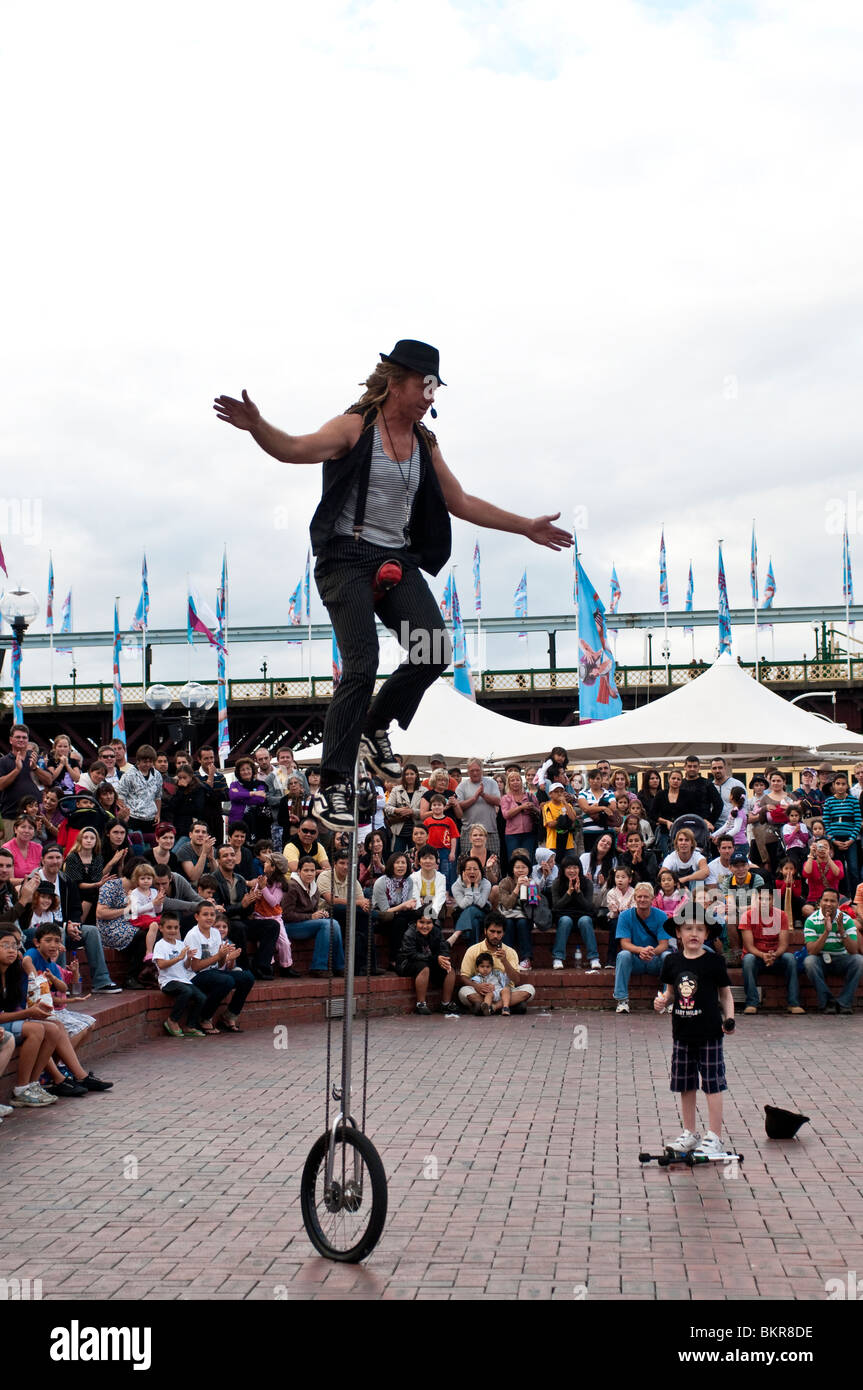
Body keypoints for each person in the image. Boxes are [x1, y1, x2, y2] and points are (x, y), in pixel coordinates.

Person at [215, 342, 571, 829]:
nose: (430, 395)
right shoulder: (355, 427)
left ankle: (373, 725)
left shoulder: (425, 443)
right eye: (425, 385)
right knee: (362, 661)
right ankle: (335, 784)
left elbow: (460, 500)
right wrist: (259, 427)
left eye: (435, 388)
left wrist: (525, 526)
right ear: (398, 382)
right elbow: (295, 449)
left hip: (394, 559)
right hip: (345, 556)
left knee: (433, 649)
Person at [653, 913, 735, 1156]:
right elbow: (669, 993)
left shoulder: (714, 962)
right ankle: (689, 1133)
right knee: (685, 1084)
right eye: (688, 928)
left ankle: (715, 1136)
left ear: (707, 934)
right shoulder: (672, 962)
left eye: (700, 929)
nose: (694, 934)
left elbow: (725, 994)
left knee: (712, 1084)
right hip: (682, 1032)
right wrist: (661, 1001)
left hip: (709, 1032)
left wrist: (729, 1018)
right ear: (678, 933)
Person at [183, 901, 247, 1034]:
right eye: (205, 914)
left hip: (212, 971)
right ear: (197, 917)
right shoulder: (193, 935)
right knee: (226, 981)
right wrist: (219, 956)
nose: (209, 917)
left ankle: (229, 1016)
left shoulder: (215, 933)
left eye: (212, 914)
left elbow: (219, 964)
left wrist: (225, 955)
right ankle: (204, 1017)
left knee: (247, 978)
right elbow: (195, 967)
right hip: (194, 976)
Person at [738, 886, 803, 1015]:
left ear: (773, 901)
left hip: (776, 956)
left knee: (790, 958)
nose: (763, 902)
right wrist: (763, 955)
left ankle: (793, 1003)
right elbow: (749, 946)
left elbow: (784, 944)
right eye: (761, 899)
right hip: (756, 956)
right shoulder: (748, 916)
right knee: (748, 959)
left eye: (767, 899)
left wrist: (774, 955)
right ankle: (751, 1003)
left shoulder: (782, 915)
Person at [612, 881, 673, 1014]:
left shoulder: (661, 916)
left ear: (652, 899)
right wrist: (641, 950)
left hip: (654, 959)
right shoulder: (625, 916)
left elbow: (664, 944)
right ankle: (622, 1000)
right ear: (634, 898)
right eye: (639, 897)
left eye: (646, 897)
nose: (642, 899)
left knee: (668, 956)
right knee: (623, 955)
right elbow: (624, 944)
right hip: (635, 959)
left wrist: (651, 952)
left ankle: (667, 999)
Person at [457, 913, 536, 1014]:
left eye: (499, 932)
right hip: (482, 992)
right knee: (463, 992)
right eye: (492, 931)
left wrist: (504, 961)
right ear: (485, 931)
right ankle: (508, 1006)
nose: (495, 936)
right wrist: (477, 986)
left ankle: (492, 1007)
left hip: (505, 992)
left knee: (530, 990)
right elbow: (464, 977)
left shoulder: (510, 952)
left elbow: (516, 980)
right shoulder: (473, 950)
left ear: (503, 933)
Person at [282, 855, 345, 978]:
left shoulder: (314, 887)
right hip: (290, 926)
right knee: (328, 924)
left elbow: (313, 911)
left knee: (334, 924)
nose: (309, 874)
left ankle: (339, 967)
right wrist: (311, 916)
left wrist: (320, 914)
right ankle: (318, 967)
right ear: (299, 871)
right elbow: (286, 915)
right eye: (306, 870)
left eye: (312, 870)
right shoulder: (292, 886)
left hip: (306, 925)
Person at [803, 888, 862, 1014]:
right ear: (819, 903)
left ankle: (844, 1003)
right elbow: (812, 951)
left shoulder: (846, 920)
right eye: (825, 900)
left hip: (841, 959)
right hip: (821, 959)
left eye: (832, 901)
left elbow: (853, 951)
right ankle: (828, 1002)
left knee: (859, 961)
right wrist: (826, 932)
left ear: (838, 904)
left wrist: (842, 931)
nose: (829, 904)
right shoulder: (811, 920)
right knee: (809, 962)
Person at [153, 913, 208, 1038]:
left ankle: (190, 1025)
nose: (172, 931)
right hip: (168, 981)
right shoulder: (160, 945)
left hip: (183, 979)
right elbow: (161, 965)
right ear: (161, 928)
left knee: (202, 997)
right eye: (169, 927)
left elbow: (187, 966)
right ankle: (172, 1020)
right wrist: (179, 957)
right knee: (186, 992)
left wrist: (188, 958)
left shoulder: (180, 944)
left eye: (175, 928)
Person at [395, 910, 457, 1016]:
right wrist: (435, 958)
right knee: (424, 967)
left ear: (433, 923)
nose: (425, 926)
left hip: (429, 961)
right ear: (416, 922)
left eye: (428, 923)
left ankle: (445, 1004)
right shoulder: (410, 933)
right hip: (408, 963)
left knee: (449, 968)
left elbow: (444, 948)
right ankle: (421, 1004)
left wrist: (444, 958)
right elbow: (412, 955)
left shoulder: (437, 931)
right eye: (421, 922)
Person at [0, 724, 52, 841]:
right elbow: (1, 785)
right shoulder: (3, 761)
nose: (21, 740)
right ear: (10, 740)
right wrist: (17, 770)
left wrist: (35, 768)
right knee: (11, 854)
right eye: (18, 737)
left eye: (24, 737)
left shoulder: (35, 758)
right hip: (11, 816)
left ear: (28, 740)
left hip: (34, 817)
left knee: (33, 853)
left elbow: (49, 780)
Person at [551, 855, 600, 970]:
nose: (572, 871)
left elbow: (589, 907)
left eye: (575, 867)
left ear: (580, 869)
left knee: (585, 920)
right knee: (565, 920)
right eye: (568, 868)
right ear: (563, 869)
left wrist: (578, 893)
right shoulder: (557, 883)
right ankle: (558, 958)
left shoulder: (587, 883)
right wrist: (568, 893)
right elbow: (556, 906)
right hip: (564, 917)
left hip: (583, 916)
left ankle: (594, 958)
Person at [371, 851, 419, 963]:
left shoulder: (409, 881)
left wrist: (410, 905)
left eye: (403, 863)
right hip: (382, 918)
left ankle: (418, 954)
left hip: (401, 915)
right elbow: (385, 911)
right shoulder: (381, 882)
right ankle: (394, 959)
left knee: (418, 916)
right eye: (397, 863)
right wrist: (403, 906)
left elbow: (408, 905)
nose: (401, 865)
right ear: (391, 865)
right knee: (400, 921)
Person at [822, 770, 861, 895]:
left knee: (853, 869)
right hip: (835, 840)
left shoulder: (853, 801)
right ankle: (842, 896)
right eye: (838, 783)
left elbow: (857, 821)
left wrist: (851, 839)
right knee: (838, 870)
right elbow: (826, 823)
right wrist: (833, 840)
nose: (840, 786)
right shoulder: (829, 802)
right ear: (833, 785)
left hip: (851, 840)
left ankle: (856, 898)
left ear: (847, 786)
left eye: (843, 784)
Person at [455, 760, 503, 857]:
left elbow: (498, 802)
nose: (475, 773)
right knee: (468, 863)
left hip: (490, 830)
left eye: (477, 770)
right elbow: (458, 807)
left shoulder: (492, 783)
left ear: (482, 770)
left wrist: (483, 794)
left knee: (493, 863)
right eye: (472, 771)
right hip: (469, 832)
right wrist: (474, 797)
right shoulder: (461, 786)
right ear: (468, 771)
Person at [117, 745, 163, 836]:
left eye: (150, 762)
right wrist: (125, 814)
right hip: (133, 818)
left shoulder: (157, 775)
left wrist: (158, 814)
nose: (148, 764)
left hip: (151, 819)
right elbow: (120, 796)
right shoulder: (129, 775)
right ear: (138, 760)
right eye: (145, 762)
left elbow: (158, 796)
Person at [500, 769, 541, 868]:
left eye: (517, 780)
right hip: (512, 834)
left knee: (528, 859)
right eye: (512, 780)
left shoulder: (530, 796)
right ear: (508, 783)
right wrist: (521, 807)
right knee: (514, 859)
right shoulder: (506, 798)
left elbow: (540, 812)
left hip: (529, 832)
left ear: (521, 781)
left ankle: (529, 880)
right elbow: (506, 815)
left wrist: (533, 808)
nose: (515, 782)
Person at [449, 855, 491, 947]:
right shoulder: (456, 886)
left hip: (482, 915)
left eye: (475, 869)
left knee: (472, 909)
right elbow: (463, 905)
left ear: (480, 871)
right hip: (462, 916)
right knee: (474, 922)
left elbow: (480, 904)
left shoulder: (486, 884)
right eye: (468, 869)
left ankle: (456, 934)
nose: (472, 871)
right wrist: (468, 887)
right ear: (463, 871)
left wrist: (475, 886)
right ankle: (474, 954)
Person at [422, 793, 460, 890]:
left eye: (439, 805)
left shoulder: (449, 821)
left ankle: (446, 892)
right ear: (431, 807)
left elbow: (454, 837)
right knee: (431, 872)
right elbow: (423, 837)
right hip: (431, 851)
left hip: (445, 851)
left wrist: (452, 852)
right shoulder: (427, 821)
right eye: (434, 805)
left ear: (444, 806)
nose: (437, 807)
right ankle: (432, 892)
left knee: (446, 872)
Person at [675, 756, 723, 829]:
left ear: (699, 767)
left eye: (695, 766)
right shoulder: (679, 784)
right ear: (685, 767)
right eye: (689, 766)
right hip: (682, 826)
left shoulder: (707, 784)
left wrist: (710, 822)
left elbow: (719, 805)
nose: (692, 769)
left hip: (702, 827)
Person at [801, 837, 843, 919]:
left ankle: (823, 918)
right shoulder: (810, 862)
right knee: (806, 909)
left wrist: (828, 857)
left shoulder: (837, 863)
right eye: (820, 846)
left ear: (830, 850)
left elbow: (839, 875)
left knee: (847, 910)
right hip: (814, 900)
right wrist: (811, 854)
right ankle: (823, 918)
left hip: (832, 900)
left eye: (825, 846)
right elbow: (806, 874)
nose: (822, 849)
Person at [408, 847, 447, 926]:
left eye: (431, 858)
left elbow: (439, 897)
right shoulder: (413, 877)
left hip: (435, 912)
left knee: (441, 905)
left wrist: (430, 916)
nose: (428, 861)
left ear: (436, 861)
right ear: (419, 861)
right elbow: (415, 898)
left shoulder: (441, 877)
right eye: (424, 858)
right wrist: (422, 916)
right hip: (418, 911)